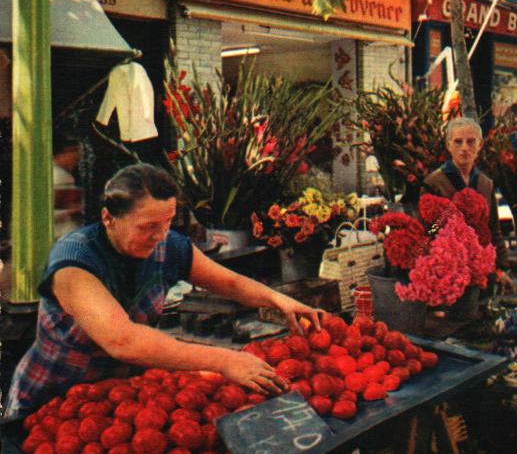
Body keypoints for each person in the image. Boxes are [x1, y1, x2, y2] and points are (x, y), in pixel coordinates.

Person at [6, 163, 325, 417]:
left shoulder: (168, 246)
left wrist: (279, 299)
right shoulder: (74, 261)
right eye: (148, 227)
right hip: (50, 401)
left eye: (168, 223)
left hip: (118, 401)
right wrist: (225, 361)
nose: (161, 236)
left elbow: (228, 282)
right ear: (108, 218)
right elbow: (122, 340)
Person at [421, 117, 510, 285]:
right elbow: (429, 231)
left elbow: (494, 229)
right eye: (458, 142)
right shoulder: (434, 183)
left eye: (470, 142)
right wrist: (448, 216)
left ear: (480, 145)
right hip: (447, 269)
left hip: (481, 269)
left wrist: (501, 268)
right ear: (448, 145)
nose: (464, 148)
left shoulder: (485, 183)